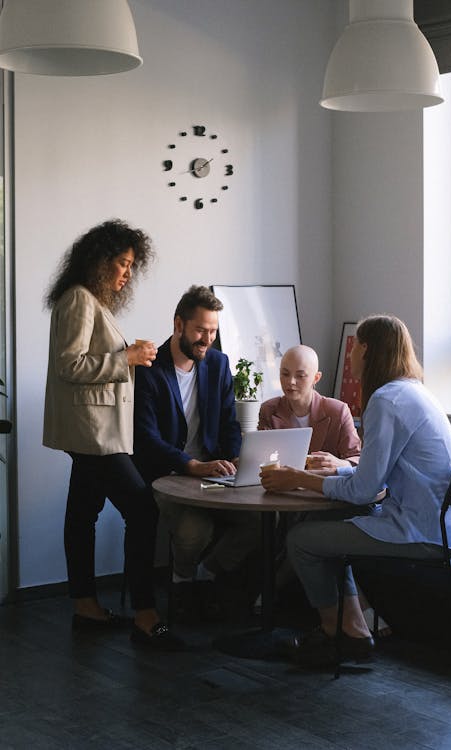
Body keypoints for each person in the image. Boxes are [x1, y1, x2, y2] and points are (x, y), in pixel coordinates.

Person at [260, 315, 451, 667]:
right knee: (337, 522)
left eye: (356, 346)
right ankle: (355, 626)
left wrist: (298, 478)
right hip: (448, 525)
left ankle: (333, 631)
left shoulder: (386, 401)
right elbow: (369, 485)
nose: (352, 354)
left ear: (366, 349)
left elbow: (364, 488)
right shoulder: (414, 390)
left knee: (301, 540)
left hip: (422, 530)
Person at [43, 218, 184, 651]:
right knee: (143, 511)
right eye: (122, 264)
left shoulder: (87, 300)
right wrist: (128, 357)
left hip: (93, 432)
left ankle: (86, 607)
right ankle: (145, 614)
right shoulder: (80, 300)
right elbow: (71, 366)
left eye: (130, 266)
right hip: (93, 433)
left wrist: (130, 358)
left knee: (82, 514)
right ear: (100, 261)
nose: (126, 273)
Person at [133, 285, 261, 622]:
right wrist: (191, 465)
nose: (208, 339)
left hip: (212, 473)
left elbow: (229, 424)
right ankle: (182, 586)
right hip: (167, 475)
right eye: (200, 330)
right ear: (179, 325)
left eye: (214, 331)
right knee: (195, 530)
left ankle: (204, 574)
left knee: (257, 521)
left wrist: (234, 458)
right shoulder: (149, 368)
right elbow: (146, 439)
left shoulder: (218, 364)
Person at [258, 344, 361, 470]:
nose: (291, 381)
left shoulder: (337, 411)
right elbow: (260, 458)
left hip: (322, 487)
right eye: (285, 374)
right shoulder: (269, 410)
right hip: (281, 486)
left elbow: (357, 458)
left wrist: (340, 464)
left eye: (300, 376)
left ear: (316, 378)